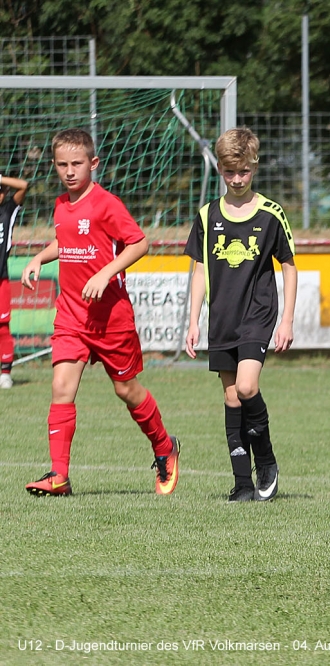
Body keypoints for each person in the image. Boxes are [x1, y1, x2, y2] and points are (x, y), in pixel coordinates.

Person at [20, 128, 179, 496]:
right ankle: (59, 476)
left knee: (127, 390)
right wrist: (39, 258)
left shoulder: (107, 204)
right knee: (61, 387)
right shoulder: (61, 204)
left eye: (77, 163)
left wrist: (106, 273)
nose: (69, 171)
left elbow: (139, 243)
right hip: (71, 315)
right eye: (62, 164)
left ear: (93, 163)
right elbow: (65, 240)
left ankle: (164, 447)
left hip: (111, 319)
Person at [184, 127, 297, 503]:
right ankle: (242, 484)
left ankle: (266, 462)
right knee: (232, 398)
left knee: (247, 388)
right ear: (220, 168)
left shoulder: (270, 214)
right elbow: (199, 269)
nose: (236, 179)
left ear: (255, 167)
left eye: (244, 171)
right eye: (230, 172)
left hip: (257, 315)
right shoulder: (207, 215)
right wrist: (193, 320)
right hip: (222, 319)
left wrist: (287, 320)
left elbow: (289, 266)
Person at [0, 173, 30, 389]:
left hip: (1, 281)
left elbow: (23, 185)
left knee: (2, 329)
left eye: (1, 191)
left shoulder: (7, 211)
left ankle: (5, 374)